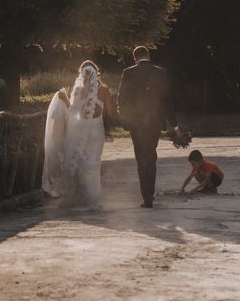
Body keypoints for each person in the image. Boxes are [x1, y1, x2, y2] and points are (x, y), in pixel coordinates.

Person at [42, 60, 116, 209]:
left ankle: (82, 197)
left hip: (80, 131)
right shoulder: (104, 90)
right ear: (97, 73)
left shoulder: (78, 90)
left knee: (81, 163)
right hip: (96, 131)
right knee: (94, 163)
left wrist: (64, 99)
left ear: (81, 74)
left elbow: (73, 114)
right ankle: (93, 198)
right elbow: (111, 112)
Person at [117, 46, 181, 208]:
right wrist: (175, 126)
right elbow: (167, 101)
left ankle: (146, 197)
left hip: (136, 124)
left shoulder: (128, 73)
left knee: (141, 158)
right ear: (148, 56)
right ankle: (150, 195)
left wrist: (126, 121)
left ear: (135, 58)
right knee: (151, 156)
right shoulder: (160, 72)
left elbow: (121, 99)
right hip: (154, 123)